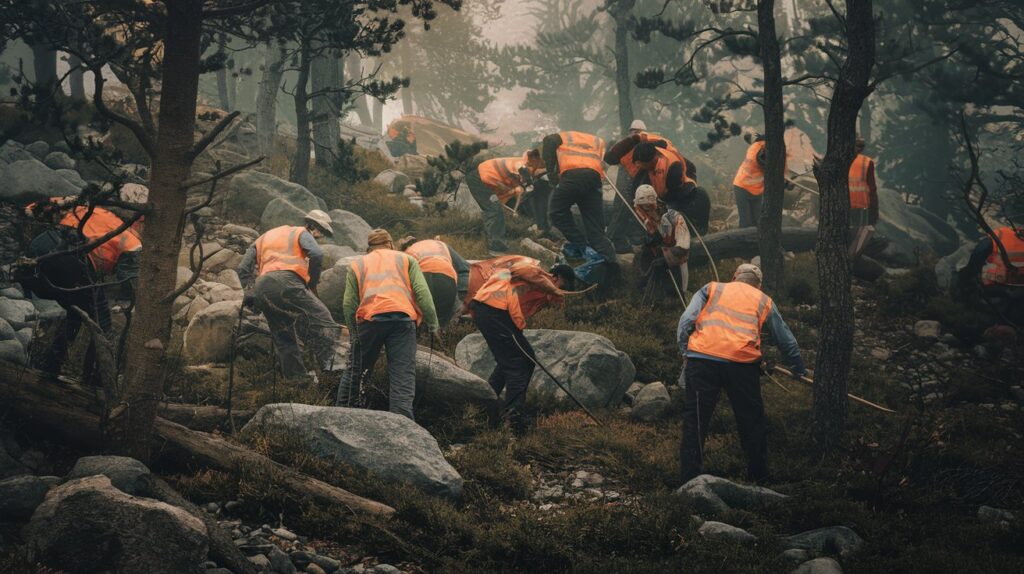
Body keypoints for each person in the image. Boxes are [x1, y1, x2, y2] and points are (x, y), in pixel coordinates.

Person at [676, 263, 806, 483]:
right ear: (759, 284)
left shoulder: (712, 288)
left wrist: (684, 350)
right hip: (742, 366)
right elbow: (786, 339)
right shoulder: (764, 300)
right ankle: (759, 478)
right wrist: (797, 367)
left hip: (702, 360)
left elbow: (686, 320)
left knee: (695, 420)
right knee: (751, 422)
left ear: (734, 277)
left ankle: (689, 479)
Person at [336, 229, 440, 420]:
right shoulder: (406, 259)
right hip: (402, 322)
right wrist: (433, 324)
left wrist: (354, 334)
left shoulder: (358, 264)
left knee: (356, 371)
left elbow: (348, 304)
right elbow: (423, 294)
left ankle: (341, 416)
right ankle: (402, 425)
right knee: (402, 378)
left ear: (369, 248)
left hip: (370, 322)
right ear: (390, 244)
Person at [470, 260, 575, 435]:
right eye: (563, 286)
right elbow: (507, 273)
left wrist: (552, 296)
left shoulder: (540, 293)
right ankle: (513, 421)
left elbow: (522, 307)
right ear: (554, 277)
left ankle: (485, 409)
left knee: (525, 359)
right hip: (493, 311)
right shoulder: (532, 272)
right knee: (517, 363)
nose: (563, 291)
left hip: (496, 314)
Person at [237, 209, 343, 379]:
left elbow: (242, 268)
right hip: (287, 282)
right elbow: (316, 253)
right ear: (314, 227)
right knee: (324, 319)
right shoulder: (301, 232)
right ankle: (332, 367)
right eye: (320, 234)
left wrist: (249, 291)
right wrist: (312, 281)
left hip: (262, 287)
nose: (319, 237)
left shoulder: (263, 237)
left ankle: (297, 381)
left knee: (283, 335)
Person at [14, 222, 111, 379]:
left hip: (45, 245)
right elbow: (129, 282)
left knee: (74, 310)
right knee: (103, 322)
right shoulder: (133, 243)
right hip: (70, 258)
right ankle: (95, 380)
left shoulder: (94, 216)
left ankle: (51, 367)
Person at [26, 196, 142, 302]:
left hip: (122, 248)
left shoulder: (66, 225)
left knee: (129, 280)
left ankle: (132, 303)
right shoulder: (83, 209)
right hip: (126, 241)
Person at [541, 130, 618, 281]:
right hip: (594, 178)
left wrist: (551, 174)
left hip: (573, 175)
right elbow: (603, 162)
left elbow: (548, 140)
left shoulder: (563, 136)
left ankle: (580, 244)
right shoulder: (597, 140)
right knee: (596, 230)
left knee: (555, 212)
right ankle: (613, 274)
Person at [605, 127, 687, 252]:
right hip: (630, 170)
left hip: (643, 167)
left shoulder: (664, 155)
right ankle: (614, 239)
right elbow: (611, 157)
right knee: (624, 205)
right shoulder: (635, 142)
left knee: (645, 203)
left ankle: (641, 236)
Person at [466, 149, 547, 255]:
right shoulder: (521, 164)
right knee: (494, 208)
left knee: (496, 208)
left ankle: (496, 240)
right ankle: (496, 248)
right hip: (478, 178)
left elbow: (514, 191)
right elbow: (520, 170)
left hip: (488, 181)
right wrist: (528, 184)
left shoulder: (524, 171)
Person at [959, 224, 1024, 325]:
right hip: (1016, 292)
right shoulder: (1001, 235)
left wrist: (968, 276)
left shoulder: (1001, 235)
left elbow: (977, 254)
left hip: (992, 286)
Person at [397, 236, 470, 325]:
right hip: (447, 279)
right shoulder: (440, 245)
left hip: (423, 280)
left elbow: (402, 281)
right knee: (445, 320)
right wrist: (462, 295)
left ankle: (425, 334)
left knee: (423, 320)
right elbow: (465, 268)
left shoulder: (406, 253)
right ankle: (447, 332)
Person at [633, 185, 690, 297]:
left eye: (649, 207)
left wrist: (665, 259)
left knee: (675, 296)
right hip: (656, 262)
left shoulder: (675, 218)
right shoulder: (648, 221)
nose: (647, 211)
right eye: (643, 208)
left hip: (675, 264)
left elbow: (684, 248)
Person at [848, 137, 879, 259]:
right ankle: (852, 257)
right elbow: (872, 188)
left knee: (851, 233)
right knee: (861, 233)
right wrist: (874, 210)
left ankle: (849, 257)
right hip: (861, 205)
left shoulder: (838, 159)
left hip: (846, 204)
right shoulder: (867, 162)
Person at [732, 135, 769, 228]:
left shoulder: (758, 146)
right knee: (746, 222)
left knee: (757, 221)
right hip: (742, 187)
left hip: (757, 190)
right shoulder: (756, 148)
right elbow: (759, 160)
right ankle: (743, 242)